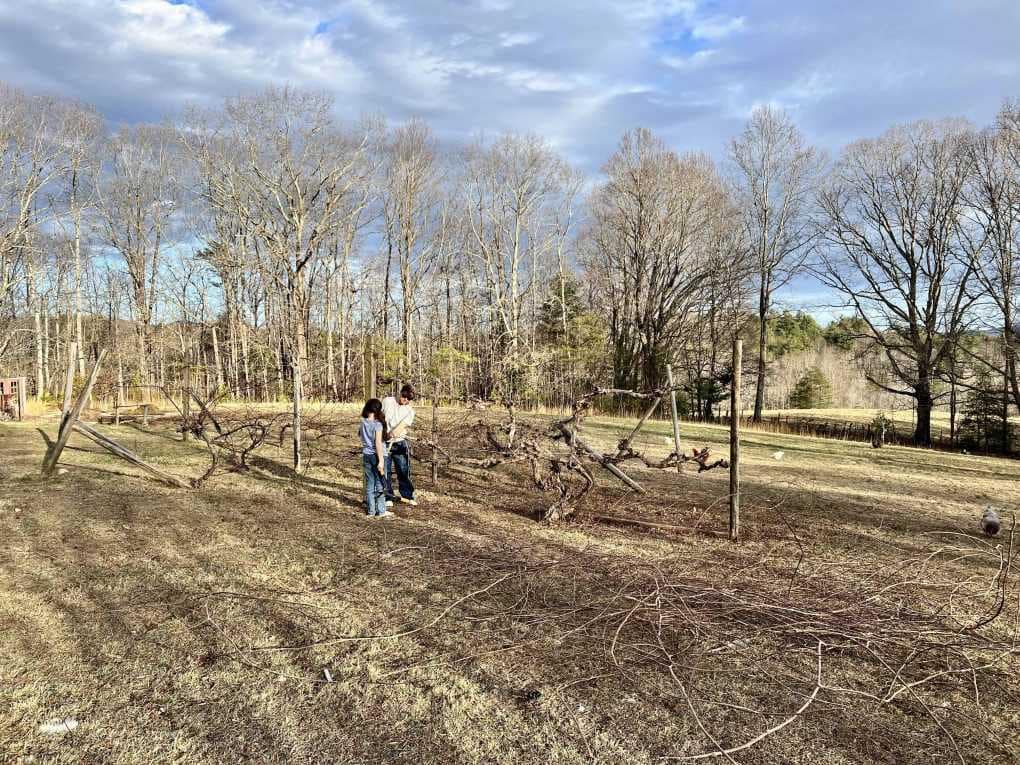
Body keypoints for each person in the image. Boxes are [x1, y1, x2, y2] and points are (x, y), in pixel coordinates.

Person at [359, 398, 395, 519]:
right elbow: (378, 444)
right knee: (380, 484)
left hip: (366, 455)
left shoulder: (363, 422)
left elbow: (362, 436)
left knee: (370, 484)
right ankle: (381, 510)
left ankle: (371, 511)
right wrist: (381, 461)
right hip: (377, 455)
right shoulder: (378, 424)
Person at [382, 383, 417, 507]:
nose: (405, 400)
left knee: (403, 469)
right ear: (400, 392)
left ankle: (408, 495)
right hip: (383, 442)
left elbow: (401, 427)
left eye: (408, 399)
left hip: (399, 442)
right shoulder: (387, 401)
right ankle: (387, 496)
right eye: (404, 396)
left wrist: (391, 434)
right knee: (384, 471)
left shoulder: (409, 411)